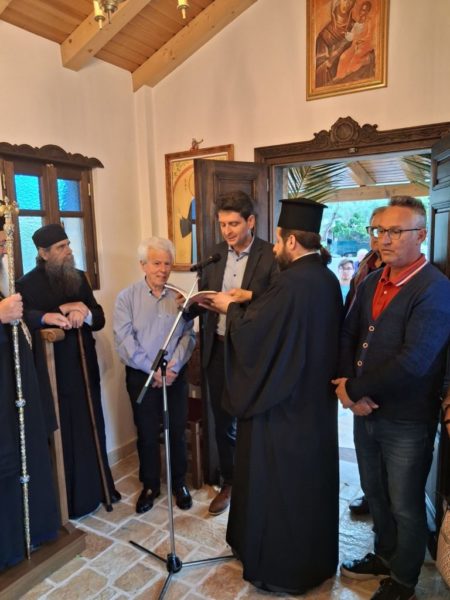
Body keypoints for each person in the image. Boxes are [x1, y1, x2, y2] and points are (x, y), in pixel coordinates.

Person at [211, 198, 342, 594]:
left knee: (280, 490)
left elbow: (257, 335)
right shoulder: (326, 279)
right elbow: (288, 321)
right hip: (314, 406)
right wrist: (251, 300)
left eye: (280, 240)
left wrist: (228, 309)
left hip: (281, 408)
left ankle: (279, 568)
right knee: (309, 488)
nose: (276, 248)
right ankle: (314, 562)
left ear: (290, 242)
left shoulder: (289, 282)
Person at [334, 197, 450, 600]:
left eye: (396, 232)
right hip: (365, 413)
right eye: (380, 231)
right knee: (376, 493)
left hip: (407, 419)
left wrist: (354, 391)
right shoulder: (371, 281)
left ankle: (403, 581)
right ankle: (384, 555)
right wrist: (348, 386)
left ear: (421, 235)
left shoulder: (435, 289)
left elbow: (414, 362)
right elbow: (348, 333)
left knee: (405, 503)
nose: (384, 239)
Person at [16, 224, 119, 519]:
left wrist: (83, 312)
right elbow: (24, 317)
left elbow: (98, 317)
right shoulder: (26, 284)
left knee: (92, 427)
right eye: (61, 247)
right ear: (43, 253)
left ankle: (101, 489)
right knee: (66, 436)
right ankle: (71, 502)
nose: (69, 251)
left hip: (85, 367)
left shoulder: (79, 277)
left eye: (68, 244)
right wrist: (50, 315)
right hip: (54, 374)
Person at [187, 190, 278, 516]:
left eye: (234, 224)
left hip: (253, 352)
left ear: (250, 221)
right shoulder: (214, 255)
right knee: (223, 421)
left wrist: (245, 298)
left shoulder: (270, 255)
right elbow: (208, 296)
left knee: (255, 419)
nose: (227, 231)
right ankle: (230, 482)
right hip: (218, 348)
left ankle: (261, 481)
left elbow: (279, 303)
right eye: (223, 224)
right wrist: (192, 303)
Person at [114, 237, 196, 513]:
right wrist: (153, 370)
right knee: (147, 433)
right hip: (142, 376)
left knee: (177, 430)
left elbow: (188, 336)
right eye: (156, 263)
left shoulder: (180, 297)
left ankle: (179, 483)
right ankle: (150, 485)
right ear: (143, 265)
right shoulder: (126, 298)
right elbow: (125, 341)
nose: (162, 269)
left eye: (167, 263)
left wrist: (173, 367)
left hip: (174, 375)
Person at [0, 218, 60, 571]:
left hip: (17, 386)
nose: (4, 247)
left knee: (30, 452)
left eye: (5, 240)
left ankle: (34, 531)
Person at [346, 206, 386, 515]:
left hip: (387, 370)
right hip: (359, 360)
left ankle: (385, 506)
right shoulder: (366, 265)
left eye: (386, 230)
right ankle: (371, 495)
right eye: (374, 230)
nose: (379, 237)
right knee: (365, 444)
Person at [315, 0, 357, 88]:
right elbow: (320, 69)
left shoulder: (355, 27)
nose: (347, 3)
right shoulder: (325, 35)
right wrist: (344, 43)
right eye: (344, 0)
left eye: (351, 1)